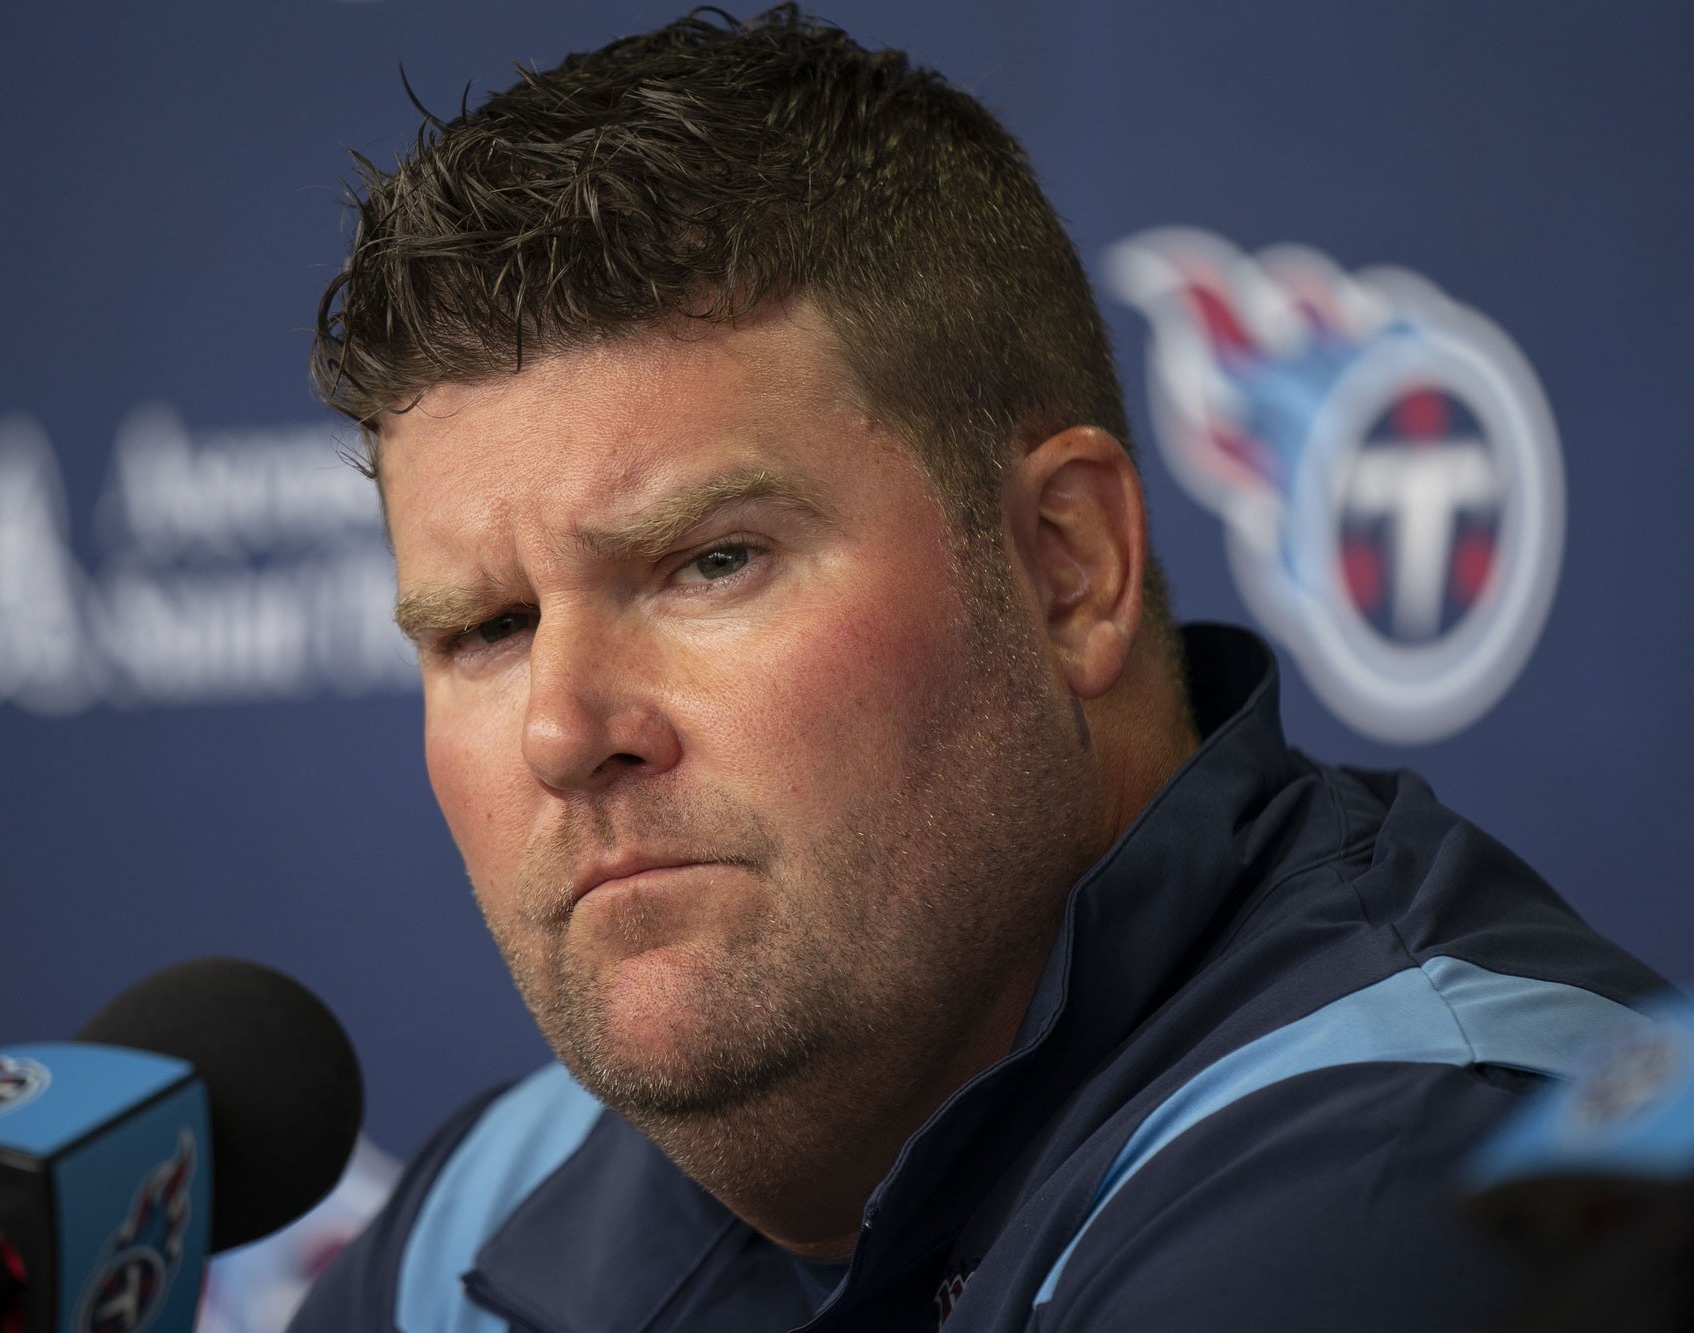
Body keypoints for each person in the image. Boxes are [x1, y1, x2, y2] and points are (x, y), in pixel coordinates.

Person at [288, 8, 1662, 1330]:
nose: (565, 729)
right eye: (486, 628)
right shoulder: (478, 1213)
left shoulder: (1411, 1157)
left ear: (1068, 566)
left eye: (710, 563)